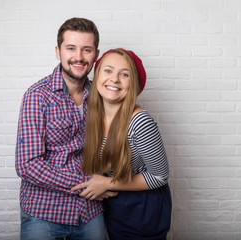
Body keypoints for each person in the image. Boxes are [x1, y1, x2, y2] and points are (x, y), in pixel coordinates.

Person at [15, 17, 115, 240]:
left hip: (90, 213)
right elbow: (27, 165)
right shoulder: (37, 96)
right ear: (58, 52)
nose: (78, 57)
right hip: (44, 213)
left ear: (96, 55)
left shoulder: (102, 96)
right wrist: (86, 184)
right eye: (71, 48)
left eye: (86, 50)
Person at [71, 48, 172, 240]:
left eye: (124, 74)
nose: (114, 79)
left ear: (133, 84)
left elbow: (160, 176)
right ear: (97, 76)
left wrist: (107, 183)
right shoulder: (92, 115)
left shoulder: (139, 121)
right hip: (115, 204)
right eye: (108, 71)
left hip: (142, 209)